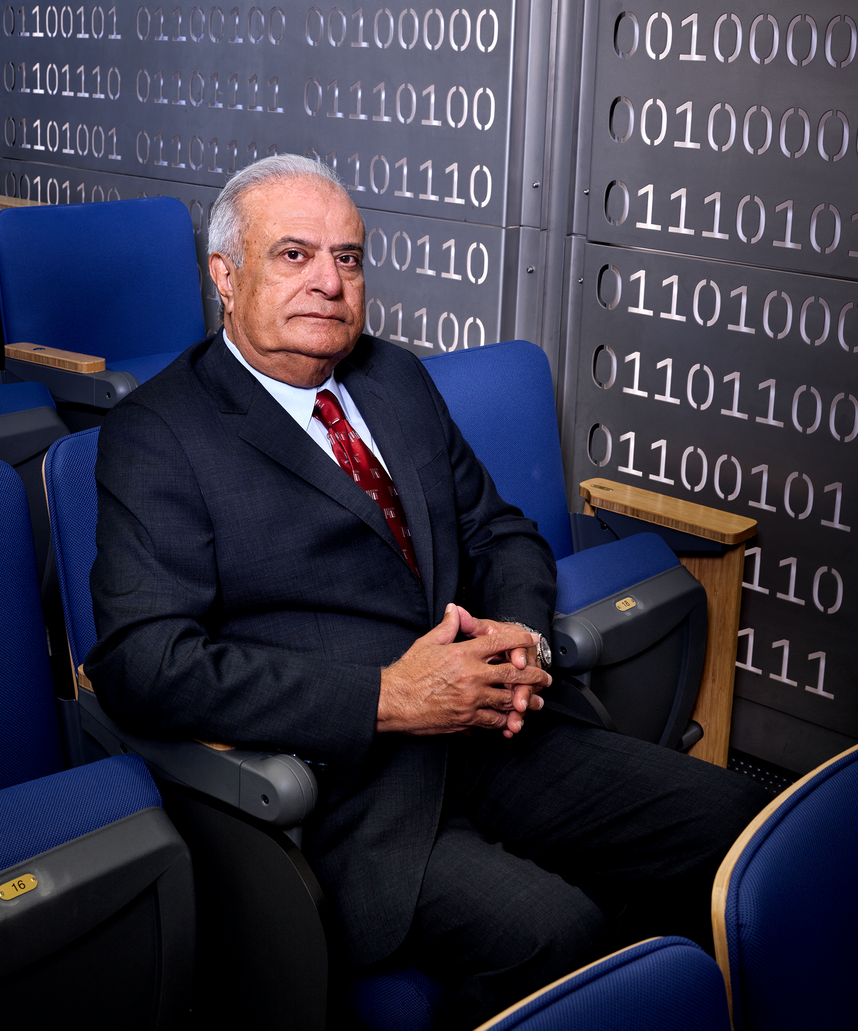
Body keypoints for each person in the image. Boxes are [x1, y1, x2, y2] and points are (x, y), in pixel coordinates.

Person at [87, 155, 767, 1029]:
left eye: (350, 257)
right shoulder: (158, 434)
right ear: (225, 275)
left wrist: (523, 634)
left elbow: (500, 530)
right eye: (295, 255)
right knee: (563, 937)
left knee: (734, 828)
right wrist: (385, 698)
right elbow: (146, 663)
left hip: (498, 728)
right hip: (353, 793)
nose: (330, 282)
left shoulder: (395, 380)